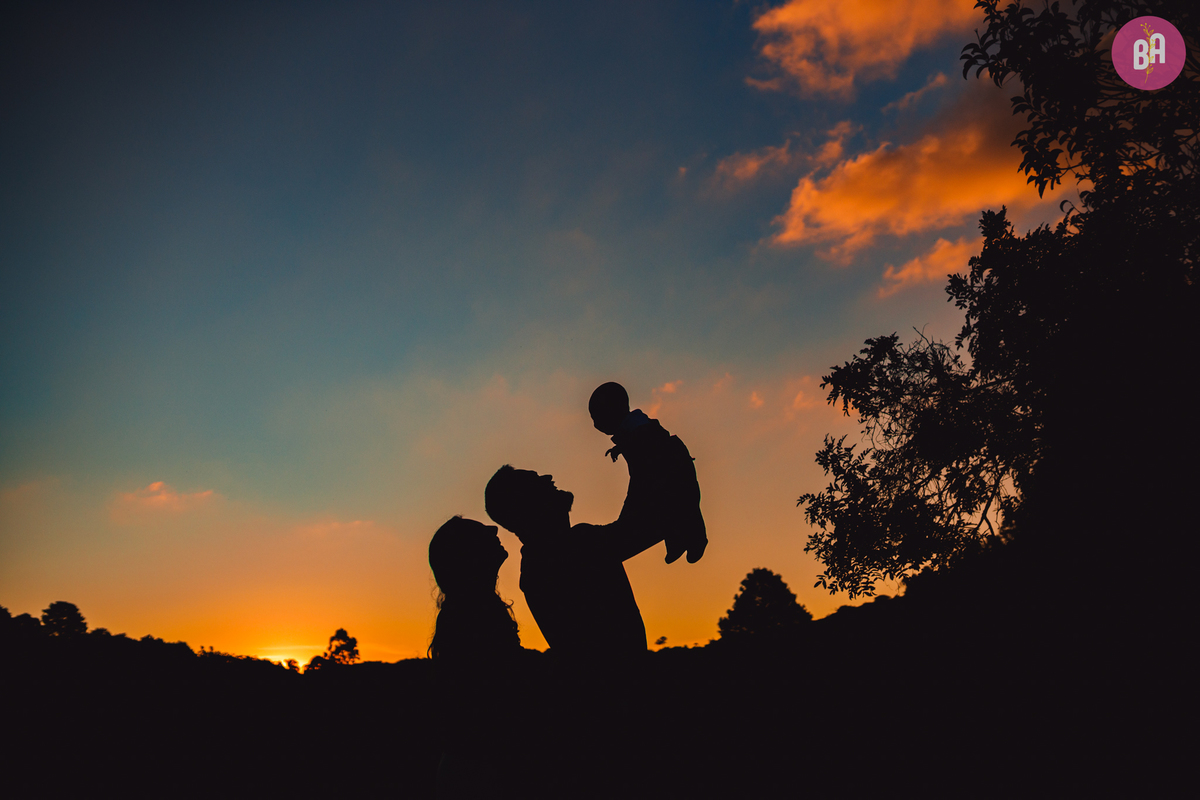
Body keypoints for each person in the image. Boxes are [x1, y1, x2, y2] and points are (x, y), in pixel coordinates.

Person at [483, 466, 662, 795]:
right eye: (535, 481)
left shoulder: (543, 561)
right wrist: (641, 450)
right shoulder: (573, 548)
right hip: (615, 725)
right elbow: (647, 524)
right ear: (528, 507)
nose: (548, 478)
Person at [427, 516, 528, 799]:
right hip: (479, 771)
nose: (493, 528)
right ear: (466, 556)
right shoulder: (472, 615)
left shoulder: (469, 610)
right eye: (479, 531)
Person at [589, 381, 708, 564]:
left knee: (679, 503)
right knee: (670, 504)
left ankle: (692, 538)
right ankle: (678, 539)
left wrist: (624, 446)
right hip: (659, 470)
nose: (595, 425)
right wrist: (620, 448)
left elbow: (647, 439)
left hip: (667, 469)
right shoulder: (632, 427)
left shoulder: (639, 427)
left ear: (613, 410)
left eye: (597, 417)